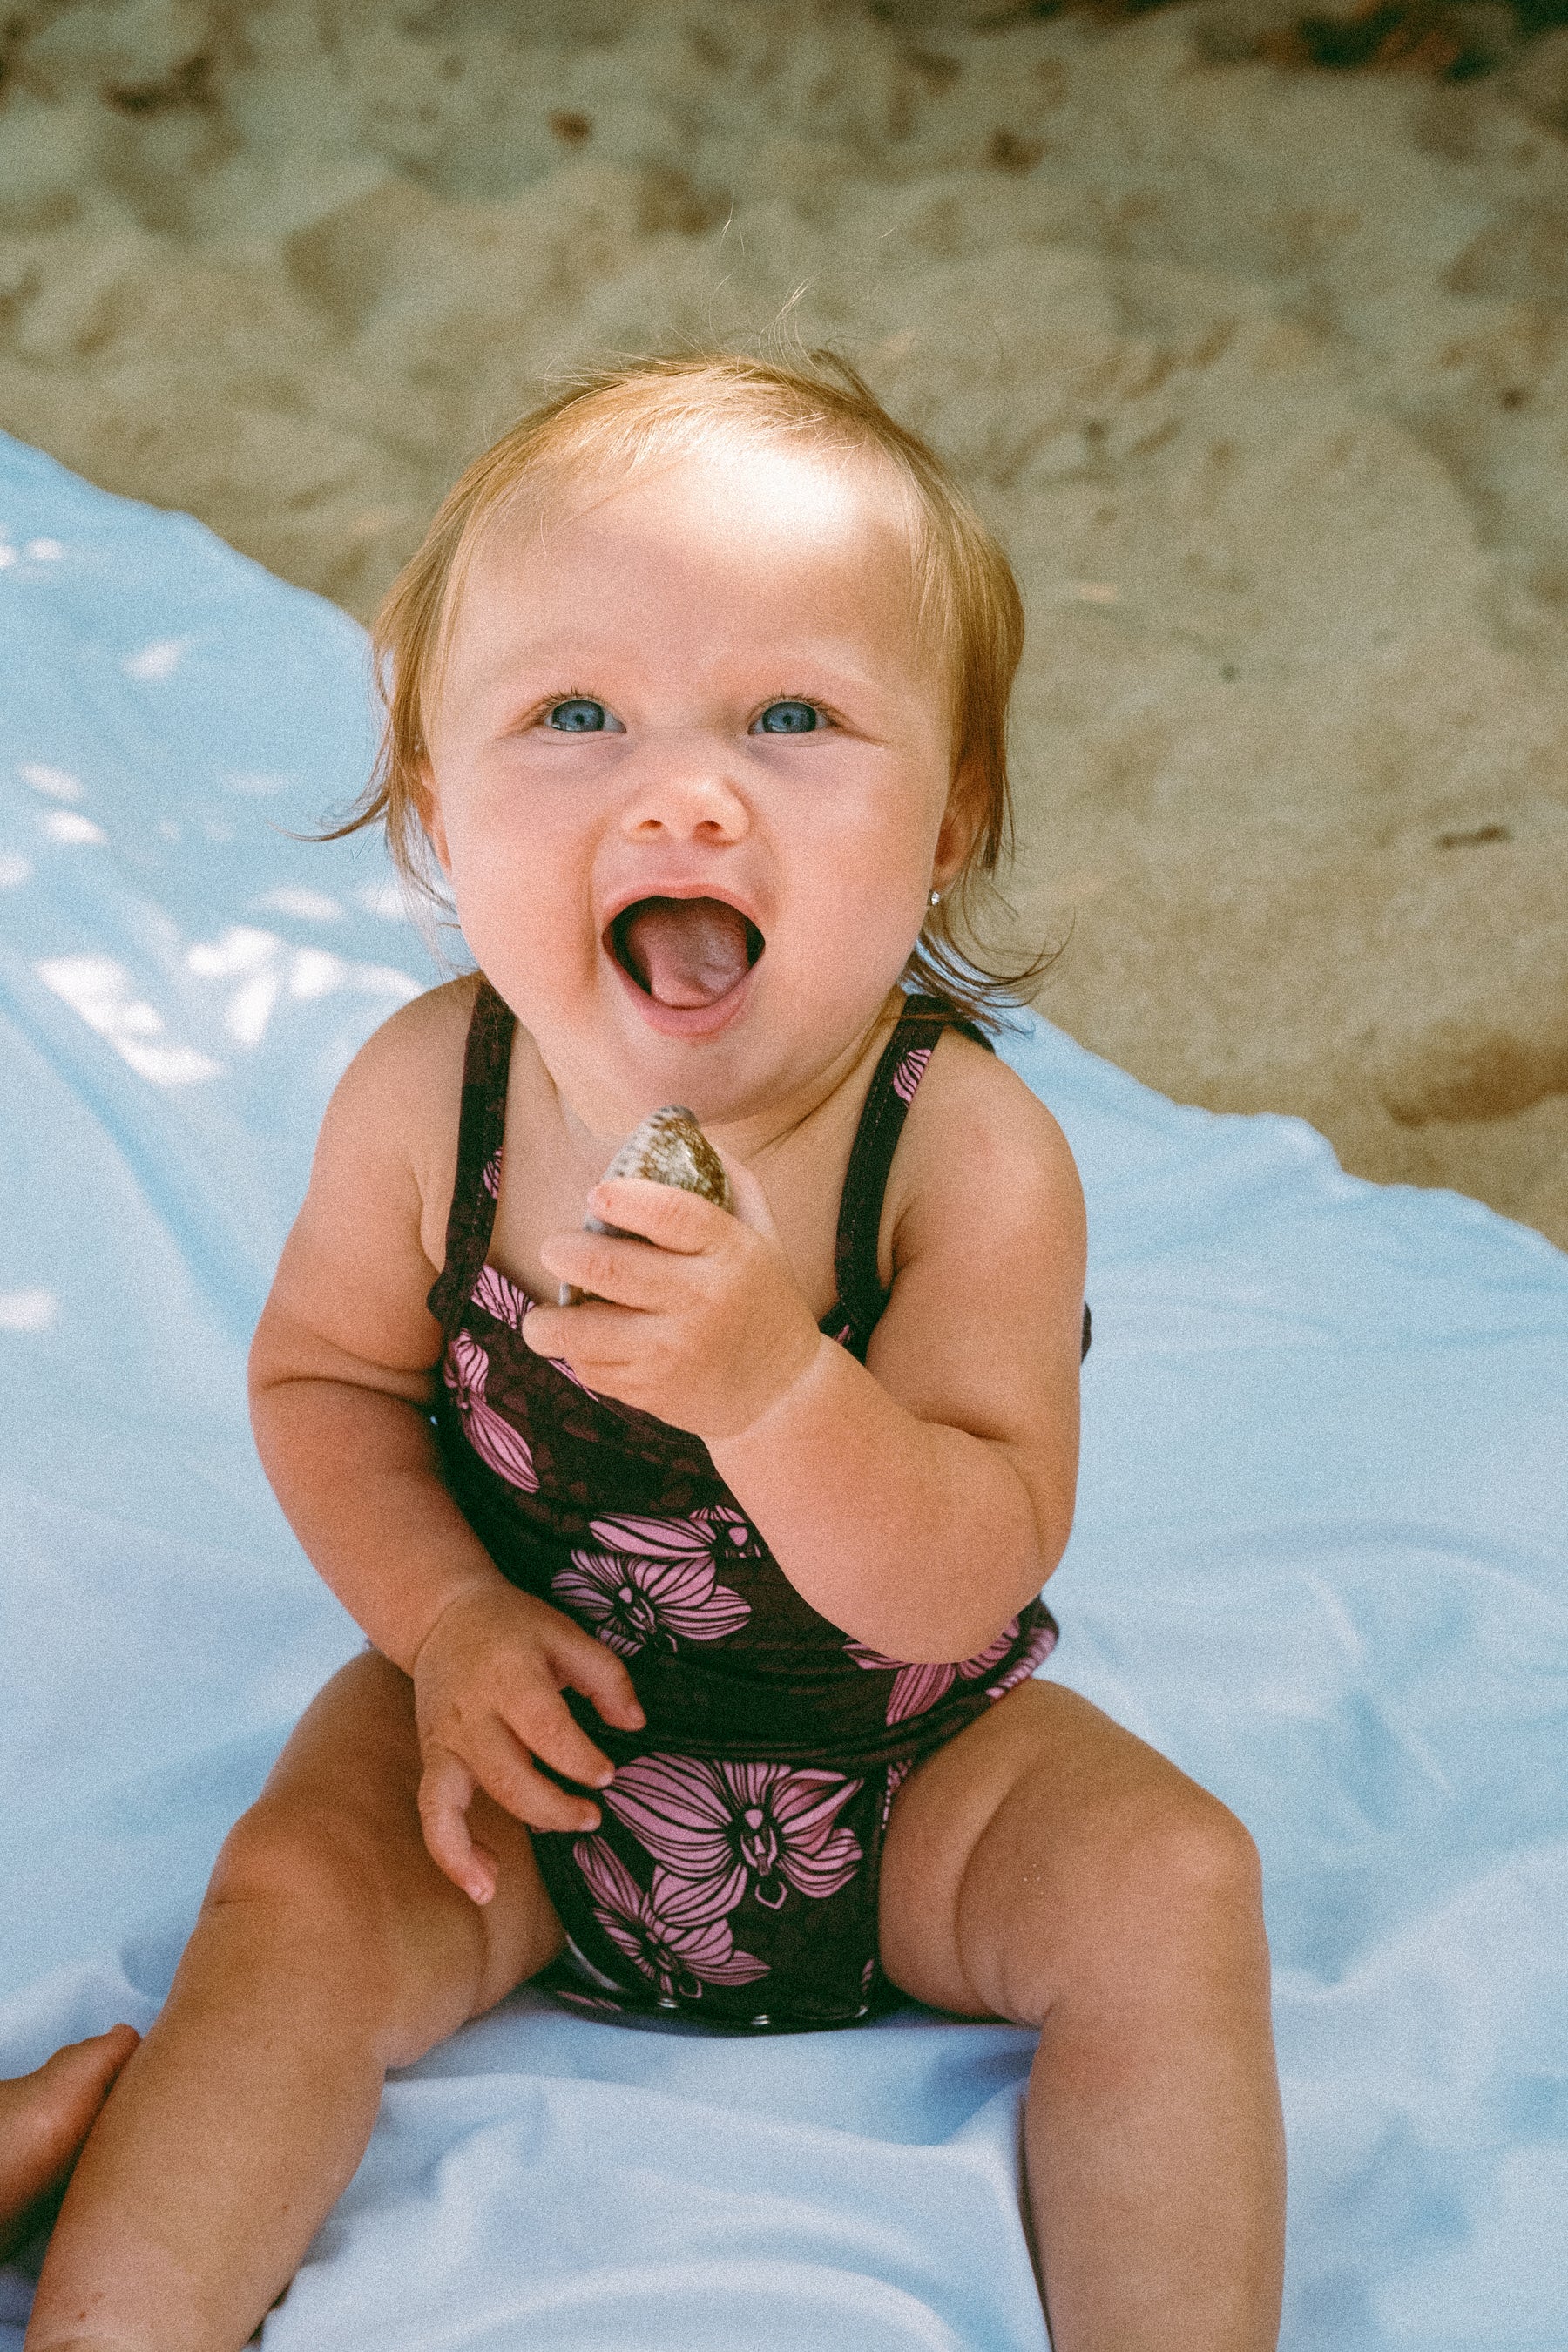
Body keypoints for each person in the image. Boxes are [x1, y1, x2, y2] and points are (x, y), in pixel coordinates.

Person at [24, 353, 1285, 2352]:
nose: (681, 786)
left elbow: (974, 1559)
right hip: (524, 1768)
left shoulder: (957, 1156)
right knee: (286, 1903)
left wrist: (779, 1385)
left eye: (794, 718)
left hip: (903, 1785)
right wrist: (442, 1624)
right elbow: (327, 1386)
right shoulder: (428, 1101)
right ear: (437, 810)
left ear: (946, 814)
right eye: (574, 715)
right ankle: (121, 2322)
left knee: (1177, 1889)